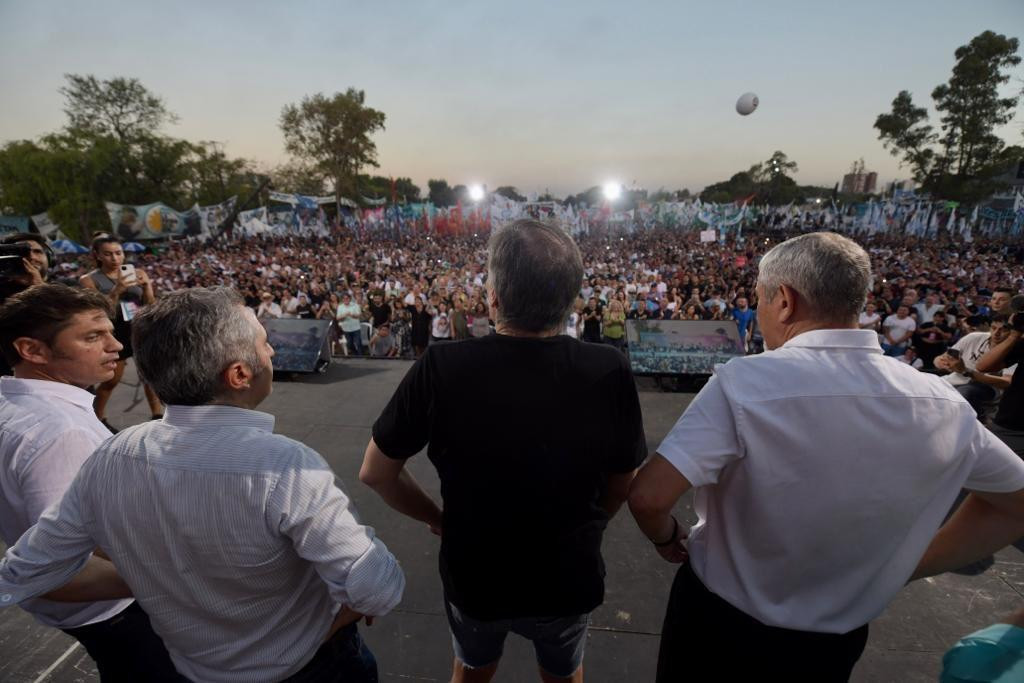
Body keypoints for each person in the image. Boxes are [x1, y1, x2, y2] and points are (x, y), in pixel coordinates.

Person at [627, 232, 1024, 682]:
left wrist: (666, 537)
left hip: (719, 626)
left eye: (760, 299)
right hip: (833, 645)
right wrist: (905, 568)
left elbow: (648, 498)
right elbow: (1017, 503)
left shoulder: (746, 383)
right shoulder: (941, 402)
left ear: (784, 300)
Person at [0, 287, 405, 682]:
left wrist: (165, 573)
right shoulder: (284, 466)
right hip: (311, 666)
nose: (273, 353)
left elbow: (23, 573)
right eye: (265, 344)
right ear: (240, 374)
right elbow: (376, 589)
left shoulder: (114, 455)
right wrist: (332, 620)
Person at [361, 220, 646, 683]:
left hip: (475, 576)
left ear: (493, 297)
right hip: (567, 575)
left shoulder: (441, 366)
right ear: (571, 300)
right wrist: (591, 521)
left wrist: (437, 517)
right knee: (563, 673)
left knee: (472, 671)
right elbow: (623, 478)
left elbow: (376, 472)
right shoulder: (609, 368)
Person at [0, 284, 180, 681]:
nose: (116, 346)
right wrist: (176, 579)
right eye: (93, 336)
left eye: (110, 332)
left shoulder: (15, 403)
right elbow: (60, 570)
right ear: (32, 350)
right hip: (116, 614)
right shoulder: (58, 432)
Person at [80, 235, 163, 431]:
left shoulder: (138, 272)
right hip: (113, 333)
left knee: (149, 378)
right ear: (97, 256)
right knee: (111, 379)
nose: (115, 259)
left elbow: (151, 306)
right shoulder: (88, 280)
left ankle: (158, 416)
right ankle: (98, 419)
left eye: (118, 253)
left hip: (139, 329)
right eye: (108, 254)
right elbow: (97, 310)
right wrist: (117, 290)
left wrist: (147, 286)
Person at [337, 292, 364, 356]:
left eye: (347, 298)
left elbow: (359, 315)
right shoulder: (340, 307)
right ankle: (355, 354)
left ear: (350, 299)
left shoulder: (355, 305)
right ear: (342, 299)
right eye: (344, 298)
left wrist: (351, 315)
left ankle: (361, 356)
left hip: (356, 328)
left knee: (358, 343)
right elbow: (338, 318)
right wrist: (344, 315)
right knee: (349, 344)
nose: (346, 300)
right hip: (346, 329)